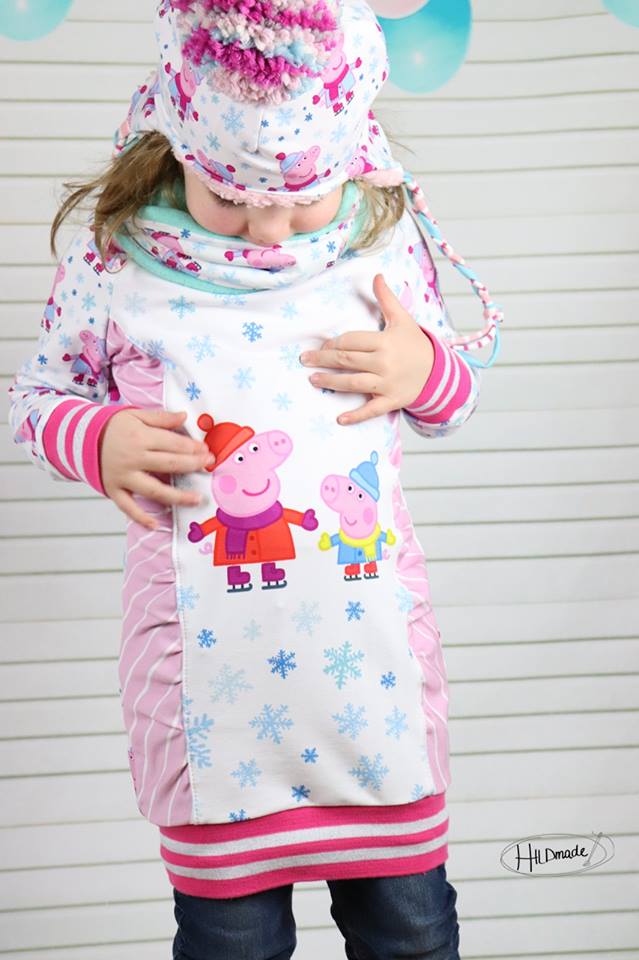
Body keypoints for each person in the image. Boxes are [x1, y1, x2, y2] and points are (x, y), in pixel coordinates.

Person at [7, 1, 504, 957]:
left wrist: (422, 371)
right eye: (231, 199)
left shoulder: (379, 242)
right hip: (212, 710)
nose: (269, 230)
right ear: (175, 142)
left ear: (353, 147)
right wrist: (97, 436)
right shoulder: (117, 261)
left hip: (371, 693)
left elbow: (452, 401)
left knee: (410, 936)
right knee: (231, 943)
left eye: (300, 199)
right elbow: (35, 401)